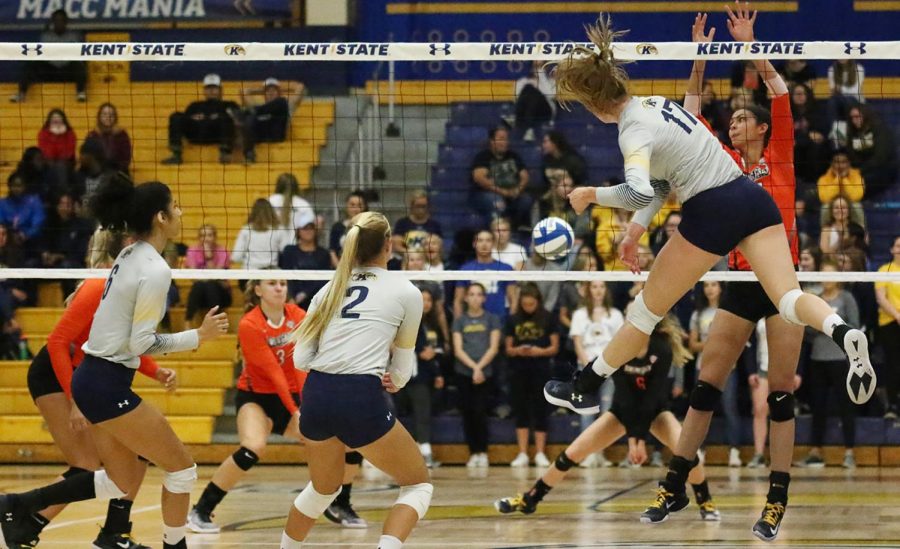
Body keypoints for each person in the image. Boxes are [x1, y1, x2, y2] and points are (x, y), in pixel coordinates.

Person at [542, 6, 875, 540]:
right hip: (749, 208)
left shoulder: (638, 129)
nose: (738, 121)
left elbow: (633, 190)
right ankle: (843, 331)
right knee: (787, 301)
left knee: (647, 311)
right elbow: (660, 182)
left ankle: (584, 383)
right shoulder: (662, 107)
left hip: (713, 211)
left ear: (592, 103)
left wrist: (589, 195)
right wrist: (634, 232)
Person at [0, 175, 230, 549]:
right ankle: (175, 545)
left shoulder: (128, 255)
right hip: (104, 383)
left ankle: (18, 505)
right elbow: (140, 342)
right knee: (183, 470)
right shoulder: (154, 269)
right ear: (160, 217)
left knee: (123, 477)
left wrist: (152, 372)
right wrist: (198, 337)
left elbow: (117, 337)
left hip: (94, 377)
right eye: (175, 207)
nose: (181, 213)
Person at [280, 211, 431, 549]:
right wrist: (393, 379)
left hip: (316, 394)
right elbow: (402, 370)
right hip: (360, 395)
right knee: (418, 484)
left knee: (323, 488)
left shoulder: (327, 291)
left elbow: (302, 359)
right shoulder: (406, 291)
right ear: (389, 244)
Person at [18, 229, 172, 549]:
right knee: (86, 464)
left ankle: (114, 532)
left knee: (138, 453)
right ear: (128, 246)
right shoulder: (101, 283)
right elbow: (60, 344)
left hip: (87, 378)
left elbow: (118, 345)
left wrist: (156, 372)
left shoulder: (124, 283)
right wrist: (75, 401)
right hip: (57, 377)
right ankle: (20, 514)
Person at [497, 316, 720, 522]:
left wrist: (638, 439)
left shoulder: (661, 349)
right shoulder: (620, 347)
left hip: (656, 411)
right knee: (572, 453)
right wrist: (634, 439)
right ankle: (530, 499)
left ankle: (705, 501)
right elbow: (624, 396)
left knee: (687, 451)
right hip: (622, 412)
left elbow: (651, 398)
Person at [188, 278, 307, 533]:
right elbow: (274, 372)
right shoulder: (250, 324)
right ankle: (201, 510)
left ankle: (336, 502)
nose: (279, 288)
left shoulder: (298, 315)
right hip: (257, 398)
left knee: (333, 442)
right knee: (253, 447)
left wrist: (303, 407)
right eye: (272, 283)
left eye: (283, 283)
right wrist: (296, 412)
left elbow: (300, 364)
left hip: (292, 396)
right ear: (258, 290)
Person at [797, 261, 860, 469]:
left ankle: (849, 452)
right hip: (818, 359)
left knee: (846, 406)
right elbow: (807, 330)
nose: (826, 278)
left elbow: (855, 327)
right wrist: (822, 327)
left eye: (830, 274)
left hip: (841, 360)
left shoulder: (847, 298)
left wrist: (833, 329)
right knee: (818, 407)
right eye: (823, 274)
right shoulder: (815, 301)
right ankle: (815, 451)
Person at [569, 280, 624, 467]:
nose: (598, 290)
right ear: (588, 290)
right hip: (586, 368)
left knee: (607, 412)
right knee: (586, 411)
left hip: (609, 368)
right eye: (594, 287)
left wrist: (607, 366)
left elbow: (620, 342)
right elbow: (578, 343)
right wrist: (588, 367)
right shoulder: (579, 314)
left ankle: (600, 454)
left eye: (601, 286)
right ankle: (586, 454)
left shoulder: (615, 315)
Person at [688, 281, 742, 467]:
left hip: (728, 368)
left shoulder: (729, 312)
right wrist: (713, 343)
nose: (710, 289)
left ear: (721, 288)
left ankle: (734, 451)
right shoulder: (698, 313)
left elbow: (736, 340)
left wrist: (717, 343)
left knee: (730, 408)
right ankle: (699, 451)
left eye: (714, 285)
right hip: (703, 367)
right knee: (701, 409)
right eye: (706, 286)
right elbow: (693, 345)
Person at [505, 284, 558, 467]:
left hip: (541, 369)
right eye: (525, 304)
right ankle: (522, 453)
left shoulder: (548, 318)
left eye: (531, 304)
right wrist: (519, 350)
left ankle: (540, 453)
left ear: (537, 302)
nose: (528, 307)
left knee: (540, 410)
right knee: (521, 410)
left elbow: (554, 347)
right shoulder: (513, 319)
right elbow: (508, 348)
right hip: (519, 369)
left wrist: (539, 351)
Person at [393, 287, 445, 468]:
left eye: (429, 300)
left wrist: (437, 370)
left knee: (423, 413)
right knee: (396, 414)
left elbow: (440, 349)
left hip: (424, 375)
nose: (426, 304)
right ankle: (396, 454)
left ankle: (425, 452)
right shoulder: (405, 321)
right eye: (423, 300)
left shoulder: (434, 324)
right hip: (402, 374)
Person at [453, 282, 501, 468]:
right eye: (471, 294)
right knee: (468, 414)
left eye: (478, 294)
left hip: (484, 373)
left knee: (481, 413)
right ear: (466, 298)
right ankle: (473, 452)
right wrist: (473, 368)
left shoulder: (491, 319)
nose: (474, 297)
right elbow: (458, 349)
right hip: (464, 373)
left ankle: (483, 452)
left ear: (484, 298)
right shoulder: (459, 321)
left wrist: (480, 368)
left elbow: (494, 347)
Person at [162, 73, 239, 165]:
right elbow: (186, 120)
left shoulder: (229, 104)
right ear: (204, 90)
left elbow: (238, 120)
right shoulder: (194, 105)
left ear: (221, 90)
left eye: (214, 88)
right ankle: (176, 155)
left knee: (226, 118)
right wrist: (195, 118)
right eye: (208, 88)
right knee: (176, 116)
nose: (211, 91)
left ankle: (225, 154)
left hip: (216, 135)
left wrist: (216, 117)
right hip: (196, 134)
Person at [12, 9, 87, 103]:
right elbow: (42, 54)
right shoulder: (46, 36)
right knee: (31, 64)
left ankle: (80, 92)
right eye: (56, 20)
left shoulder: (74, 36)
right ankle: (21, 93)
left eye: (61, 20)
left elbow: (78, 55)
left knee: (78, 65)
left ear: (66, 22)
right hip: (50, 71)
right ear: (53, 22)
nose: (59, 23)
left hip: (66, 72)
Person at [470, 126, 531, 229]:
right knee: (497, 202)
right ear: (491, 141)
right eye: (501, 139)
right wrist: (503, 192)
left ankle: (515, 226)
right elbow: (479, 178)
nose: (505, 142)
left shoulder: (514, 156)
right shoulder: (483, 157)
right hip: (487, 194)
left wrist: (517, 190)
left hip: (512, 193)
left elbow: (525, 176)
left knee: (526, 200)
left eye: (506, 139)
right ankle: (498, 231)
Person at [37, 192, 95, 296]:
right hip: (52, 265)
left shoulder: (82, 225)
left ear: (73, 206)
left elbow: (81, 253)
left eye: (67, 204)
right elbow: (42, 242)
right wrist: (44, 253)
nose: (64, 207)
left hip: (74, 264)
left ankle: (69, 305)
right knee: (31, 265)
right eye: (61, 204)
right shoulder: (49, 224)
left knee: (66, 267)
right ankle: (29, 301)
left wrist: (60, 257)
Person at [453, 230, 517, 321]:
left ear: (493, 244)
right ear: (474, 244)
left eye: (488, 240)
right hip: (472, 324)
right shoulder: (465, 269)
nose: (484, 244)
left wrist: (511, 326)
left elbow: (513, 300)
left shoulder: (506, 268)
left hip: (499, 322)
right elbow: (458, 301)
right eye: (480, 240)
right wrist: (458, 327)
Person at [239, 78, 305, 163]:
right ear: (264, 94)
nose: (270, 93)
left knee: (280, 102)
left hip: (276, 135)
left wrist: (280, 88)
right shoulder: (258, 107)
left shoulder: (286, 105)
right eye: (268, 91)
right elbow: (244, 91)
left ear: (279, 92)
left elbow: (300, 87)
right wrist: (261, 90)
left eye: (274, 90)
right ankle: (249, 154)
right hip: (260, 136)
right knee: (249, 118)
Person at [183, 224, 232, 329]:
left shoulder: (222, 251)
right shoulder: (192, 251)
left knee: (210, 284)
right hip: (201, 294)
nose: (206, 239)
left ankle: (216, 323)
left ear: (215, 237)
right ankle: (188, 321)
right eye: (202, 235)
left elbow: (216, 275)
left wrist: (209, 257)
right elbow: (193, 277)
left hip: (222, 294)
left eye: (209, 235)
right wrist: (205, 278)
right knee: (200, 285)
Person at [844, 105, 898, 199]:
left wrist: (860, 170)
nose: (854, 120)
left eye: (857, 117)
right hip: (863, 168)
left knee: (862, 180)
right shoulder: (852, 132)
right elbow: (851, 155)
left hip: (883, 169)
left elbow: (881, 158)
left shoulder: (880, 129)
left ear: (865, 115)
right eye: (852, 118)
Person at [279, 221, 331, 309]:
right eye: (304, 228)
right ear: (298, 231)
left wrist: (305, 293)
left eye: (311, 228)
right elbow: (286, 275)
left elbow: (324, 280)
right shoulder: (289, 251)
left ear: (315, 231)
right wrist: (290, 297)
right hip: (292, 299)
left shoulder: (323, 253)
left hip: (316, 300)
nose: (308, 231)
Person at [233, 198, 294, 270]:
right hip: (271, 273)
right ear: (271, 211)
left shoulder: (246, 229)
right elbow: (286, 251)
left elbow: (236, 257)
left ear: (253, 212)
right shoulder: (279, 229)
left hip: (249, 272)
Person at [876, 236, 900, 418]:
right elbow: (881, 298)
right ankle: (892, 406)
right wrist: (898, 315)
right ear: (891, 249)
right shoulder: (884, 270)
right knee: (892, 364)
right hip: (889, 323)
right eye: (898, 246)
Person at [817, 149, 865, 225]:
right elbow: (825, 199)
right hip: (834, 205)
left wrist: (844, 179)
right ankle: (825, 235)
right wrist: (838, 179)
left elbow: (856, 197)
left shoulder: (857, 176)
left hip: (850, 203)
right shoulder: (823, 179)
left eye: (843, 162)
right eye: (836, 162)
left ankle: (861, 234)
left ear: (849, 163)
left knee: (857, 207)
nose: (840, 165)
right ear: (832, 164)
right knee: (825, 208)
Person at [0, 171, 46, 249]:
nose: (16, 188)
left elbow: (38, 225)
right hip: (8, 242)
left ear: (24, 186)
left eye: (19, 185)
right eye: (13, 185)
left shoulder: (34, 201)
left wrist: (25, 235)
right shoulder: (2, 203)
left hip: (31, 242)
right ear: (9, 186)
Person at [514, 61, 557, 141]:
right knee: (529, 88)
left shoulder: (550, 81)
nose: (537, 68)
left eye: (541, 66)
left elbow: (551, 95)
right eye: (536, 66)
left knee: (534, 93)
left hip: (545, 111)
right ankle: (528, 127)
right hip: (525, 111)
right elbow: (518, 99)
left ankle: (526, 126)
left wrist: (541, 74)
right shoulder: (522, 81)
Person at [392, 191, 443, 256]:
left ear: (428, 207)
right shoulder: (402, 223)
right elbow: (397, 246)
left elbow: (439, 247)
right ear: (412, 206)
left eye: (423, 206)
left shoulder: (434, 225)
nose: (421, 209)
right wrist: (413, 255)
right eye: (418, 206)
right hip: (407, 260)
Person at [86, 103, 132, 173]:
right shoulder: (93, 135)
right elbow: (87, 156)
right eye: (104, 114)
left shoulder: (122, 134)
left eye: (111, 115)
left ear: (115, 117)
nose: (108, 117)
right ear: (99, 116)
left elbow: (126, 158)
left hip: (117, 172)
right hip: (96, 172)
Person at [329, 190, 368, 267]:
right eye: (352, 205)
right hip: (342, 268)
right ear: (346, 206)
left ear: (365, 207)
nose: (356, 209)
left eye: (359, 205)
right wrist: (340, 270)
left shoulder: (370, 226)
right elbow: (332, 251)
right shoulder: (338, 227)